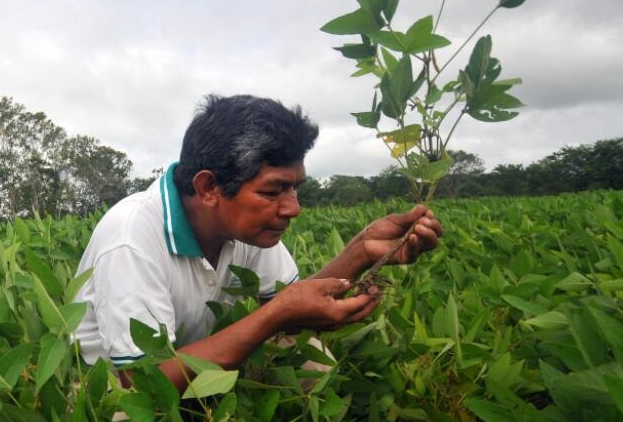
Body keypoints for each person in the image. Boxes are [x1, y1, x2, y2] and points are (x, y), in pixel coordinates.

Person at [72, 94, 442, 391]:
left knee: (307, 357)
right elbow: (145, 382)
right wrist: (274, 316)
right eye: (272, 191)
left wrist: (361, 250)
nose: (293, 209)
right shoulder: (131, 237)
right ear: (209, 188)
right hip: (118, 391)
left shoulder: (246, 227)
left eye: (295, 187)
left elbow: (292, 305)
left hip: (201, 369)